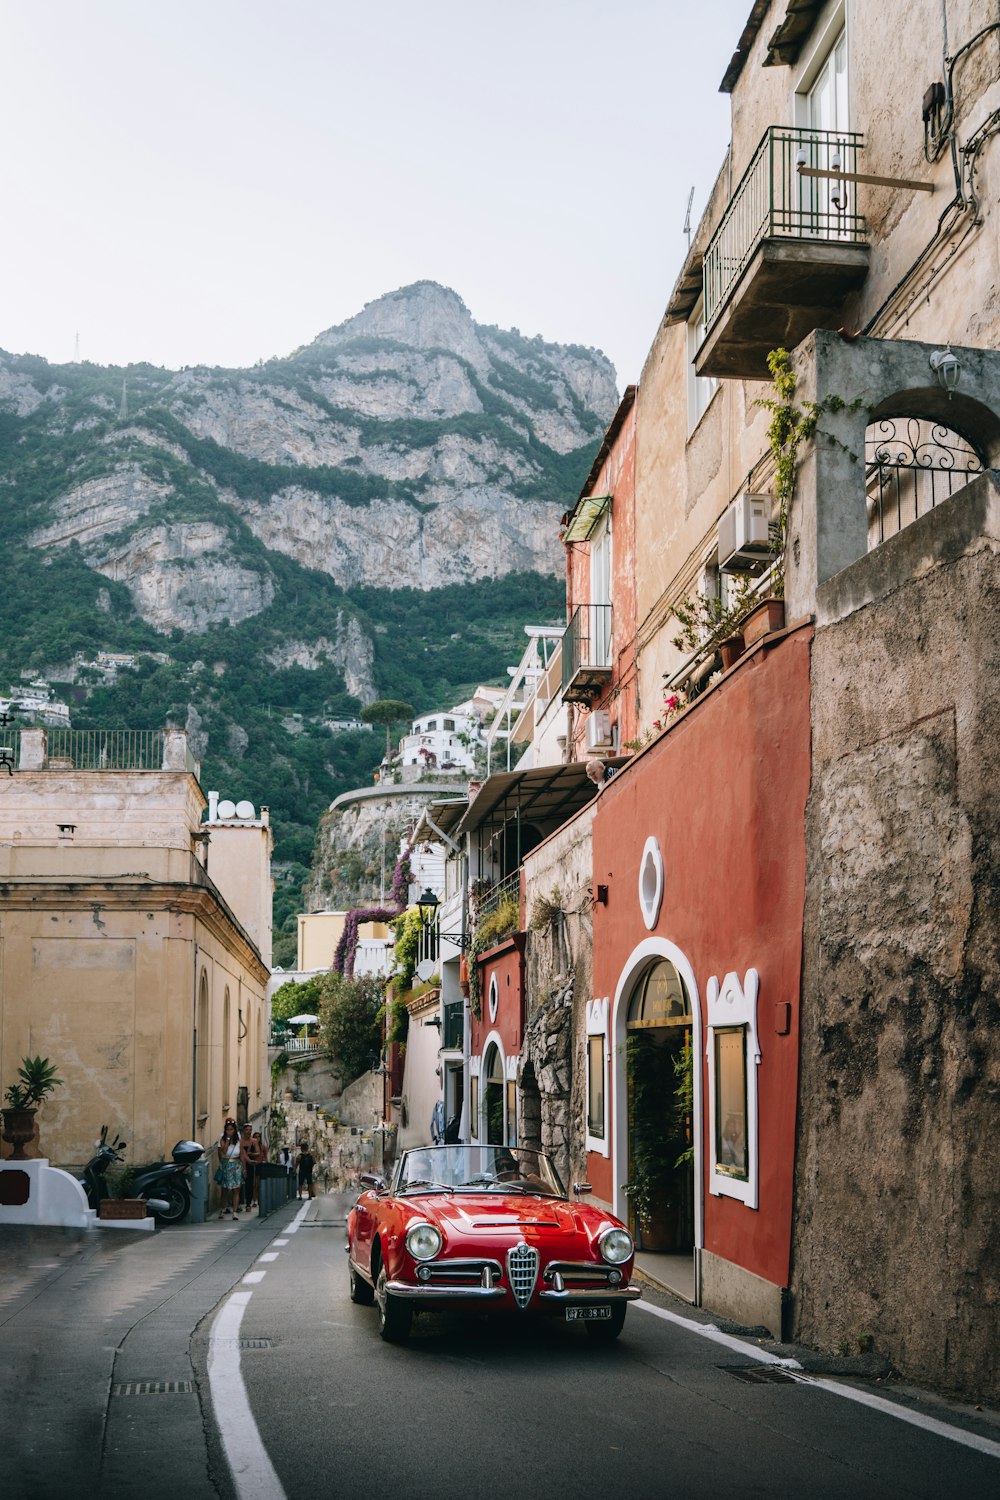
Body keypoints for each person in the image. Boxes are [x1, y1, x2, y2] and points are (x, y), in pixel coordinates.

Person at [215, 1118, 242, 1220]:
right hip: (227, 1164)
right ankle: (223, 1209)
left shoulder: (238, 1137)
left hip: (236, 1164)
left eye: (231, 1129)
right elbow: (224, 1151)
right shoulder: (222, 1138)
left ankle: (234, 1212)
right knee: (225, 1189)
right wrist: (227, 1140)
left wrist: (243, 1166)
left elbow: (242, 1151)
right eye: (228, 1130)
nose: (230, 1131)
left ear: (234, 1130)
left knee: (236, 1189)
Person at [239, 1123, 256, 1211]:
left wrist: (252, 1155)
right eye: (247, 1130)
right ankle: (238, 1204)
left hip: (250, 1164)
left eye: (250, 1130)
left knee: (249, 1184)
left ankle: (248, 1203)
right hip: (240, 1163)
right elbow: (241, 1154)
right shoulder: (240, 1141)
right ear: (243, 1131)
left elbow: (258, 1152)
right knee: (239, 1184)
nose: (248, 1132)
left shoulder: (253, 1141)